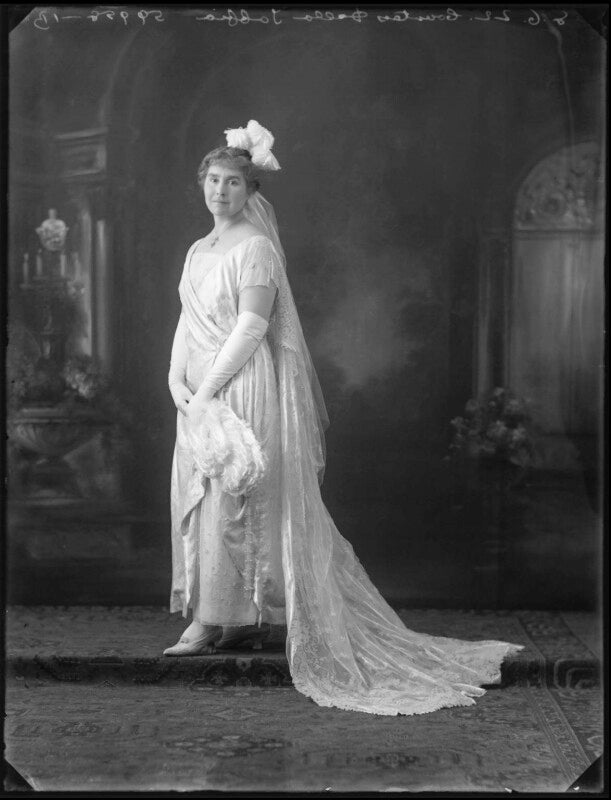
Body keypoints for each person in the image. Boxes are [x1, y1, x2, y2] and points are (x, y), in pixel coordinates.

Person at [164, 120, 524, 716]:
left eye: (233, 182)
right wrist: (177, 381)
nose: (221, 191)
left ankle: (218, 619)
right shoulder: (198, 250)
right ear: (201, 184)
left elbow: (251, 327)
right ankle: (229, 619)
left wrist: (207, 391)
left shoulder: (255, 249)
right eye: (214, 180)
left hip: (239, 383)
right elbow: (186, 317)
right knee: (201, 494)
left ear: (251, 190)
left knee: (237, 497)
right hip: (196, 390)